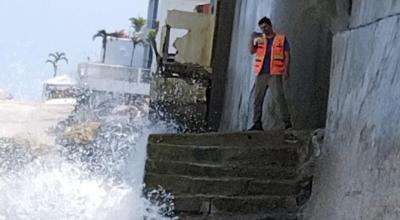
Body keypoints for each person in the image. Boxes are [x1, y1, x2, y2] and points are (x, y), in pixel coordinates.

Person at [249, 16, 292, 131]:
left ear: (270, 26)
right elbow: (252, 51)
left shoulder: (281, 39)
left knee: (279, 97)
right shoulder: (260, 40)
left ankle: (287, 123)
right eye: (262, 28)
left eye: (265, 27)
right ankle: (257, 123)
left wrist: (286, 70)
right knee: (258, 98)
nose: (264, 30)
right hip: (261, 73)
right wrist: (252, 38)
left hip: (275, 73)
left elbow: (287, 55)